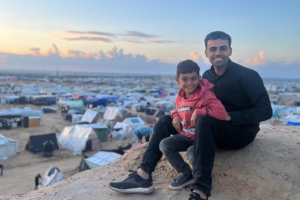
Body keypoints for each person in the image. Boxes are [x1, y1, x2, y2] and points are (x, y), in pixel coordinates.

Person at [109, 31, 272, 200]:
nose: (218, 53)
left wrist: (230, 116)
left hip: (239, 132)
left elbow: (266, 110)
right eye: (213, 49)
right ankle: (143, 175)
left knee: (204, 119)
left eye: (223, 48)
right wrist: (177, 115)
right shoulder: (206, 77)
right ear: (206, 53)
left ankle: (201, 190)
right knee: (166, 120)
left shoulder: (247, 76)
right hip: (207, 129)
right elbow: (190, 102)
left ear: (230, 51)